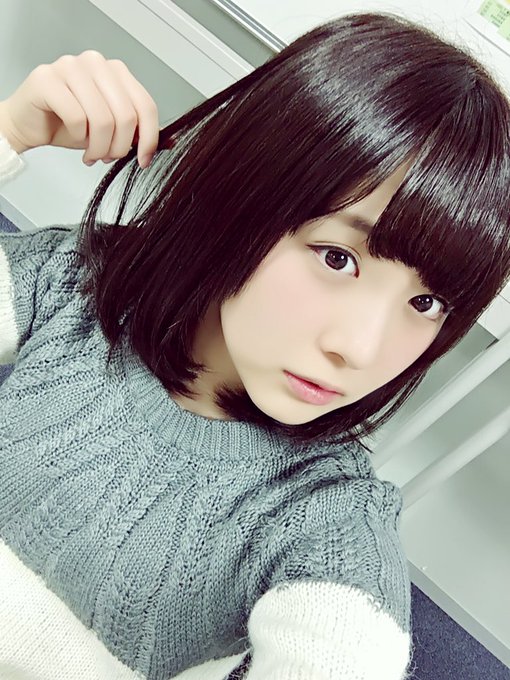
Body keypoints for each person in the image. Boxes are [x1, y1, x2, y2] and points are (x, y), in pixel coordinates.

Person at [0, 10, 509, 680]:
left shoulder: (325, 520)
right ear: (247, 194)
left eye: (426, 304)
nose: (360, 350)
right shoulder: (76, 283)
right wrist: (8, 132)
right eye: (338, 258)